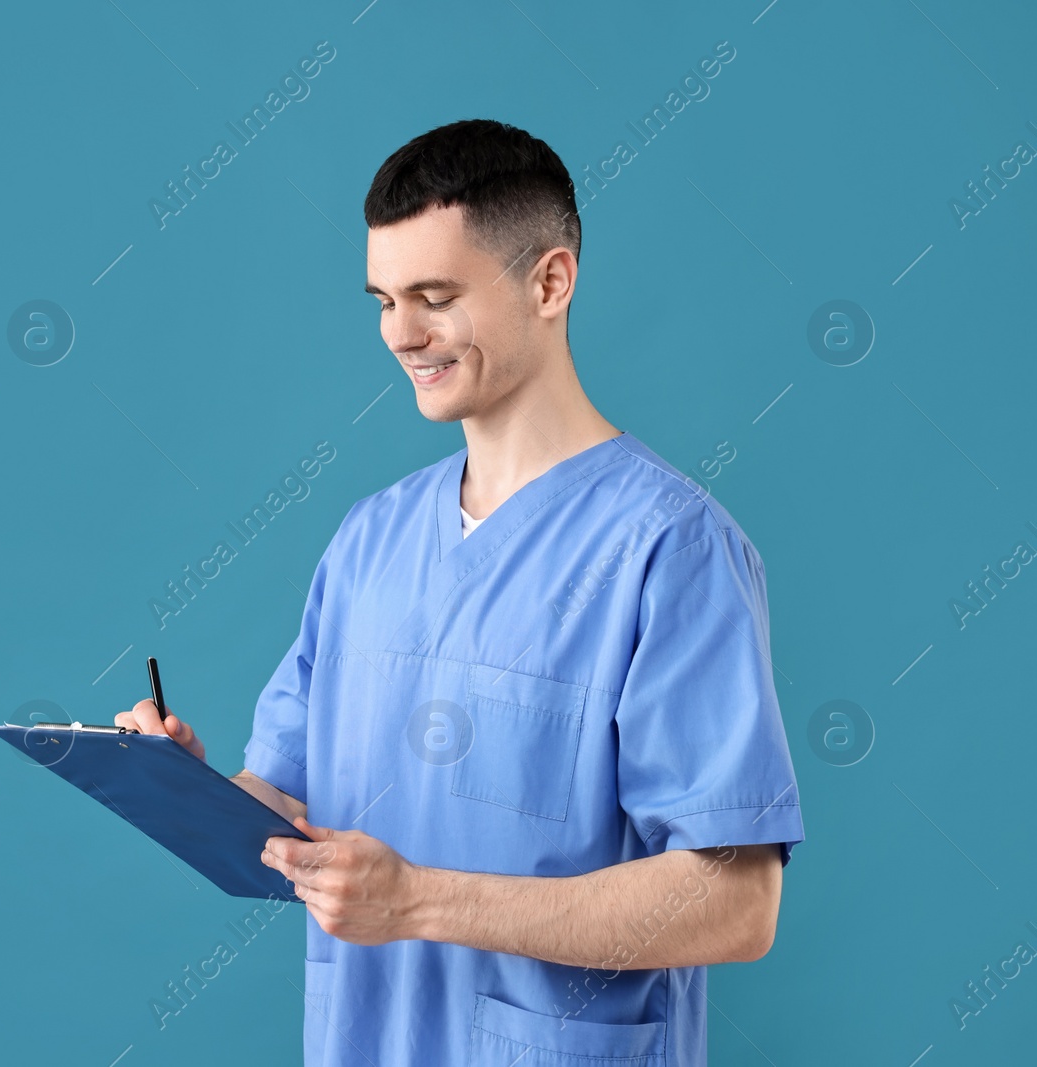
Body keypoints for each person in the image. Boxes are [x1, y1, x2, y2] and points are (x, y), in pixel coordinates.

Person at [115, 118, 803, 1067]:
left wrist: (421, 900)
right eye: (385, 299)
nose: (401, 333)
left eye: (436, 296)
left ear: (550, 281)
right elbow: (290, 814)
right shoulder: (369, 541)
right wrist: (182, 789)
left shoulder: (671, 548)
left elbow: (737, 902)